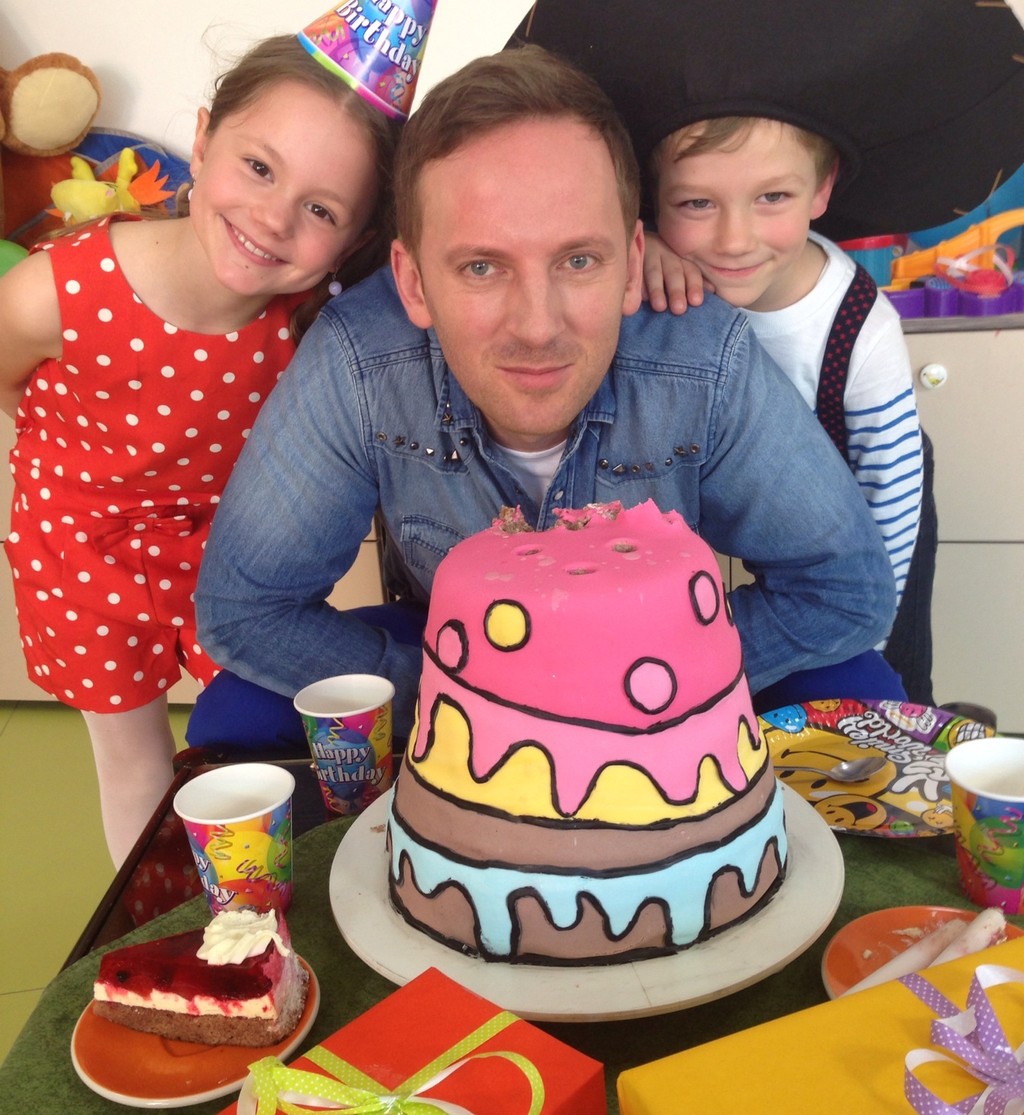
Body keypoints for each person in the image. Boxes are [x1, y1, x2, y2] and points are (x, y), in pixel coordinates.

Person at [193, 44, 902, 749]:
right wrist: (483, 707)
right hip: (460, 655)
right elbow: (246, 610)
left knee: (860, 690)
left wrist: (631, 691)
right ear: (412, 281)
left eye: (579, 260)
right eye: (481, 267)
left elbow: (843, 590)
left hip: (658, 661)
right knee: (237, 714)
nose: (537, 328)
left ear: (633, 263)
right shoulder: (359, 356)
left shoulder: (700, 355)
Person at [0, 34, 399, 866]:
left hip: (230, 553)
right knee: (132, 761)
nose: (274, 217)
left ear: (355, 236)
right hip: (82, 547)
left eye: (322, 210)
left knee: (255, 732)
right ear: (204, 138)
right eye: (258, 167)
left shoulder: (318, 318)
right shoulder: (51, 292)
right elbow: (10, 382)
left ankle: (285, 894)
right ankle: (168, 915)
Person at [640, 115, 933, 703]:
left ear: (821, 189)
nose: (734, 240)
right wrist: (636, 243)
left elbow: (881, 548)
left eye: (773, 197)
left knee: (888, 680)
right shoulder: (655, 270)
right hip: (732, 503)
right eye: (697, 203)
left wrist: (856, 658)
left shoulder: (863, 332)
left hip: (874, 498)